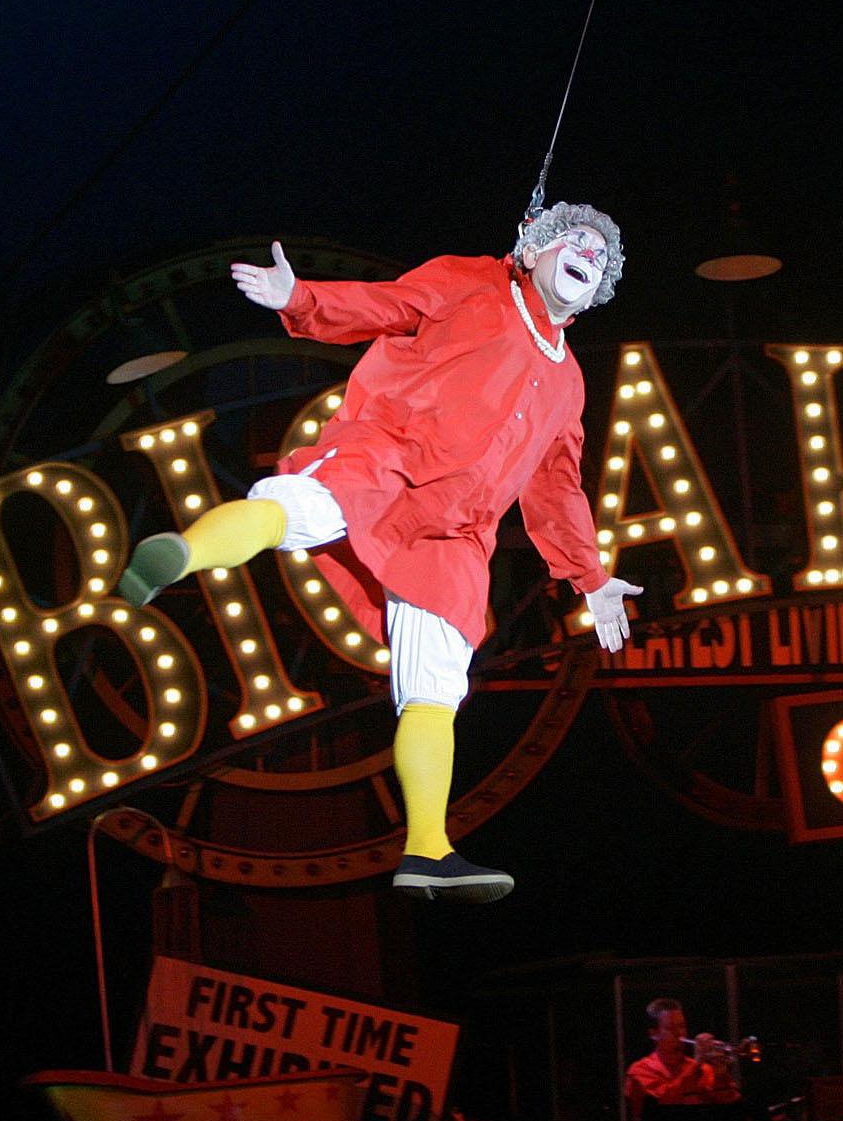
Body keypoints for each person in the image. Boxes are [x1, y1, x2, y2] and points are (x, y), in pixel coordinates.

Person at [117, 202, 642, 902]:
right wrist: (299, 300)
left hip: (453, 533)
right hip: (387, 457)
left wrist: (590, 576)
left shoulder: (569, 380)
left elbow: (556, 485)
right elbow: (389, 304)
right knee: (302, 510)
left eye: (600, 256)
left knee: (436, 685)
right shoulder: (472, 281)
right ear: (536, 245)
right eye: (575, 239)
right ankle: (178, 555)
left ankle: (427, 848)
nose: (588, 254)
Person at [625, 998, 743, 1121]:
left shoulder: (703, 1069)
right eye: (670, 1028)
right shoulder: (640, 1070)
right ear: (654, 1034)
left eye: (682, 1026)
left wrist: (720, 1073)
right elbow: (665, 1101)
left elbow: (729, 1106)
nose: (679, 1033)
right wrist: (697, 1064)